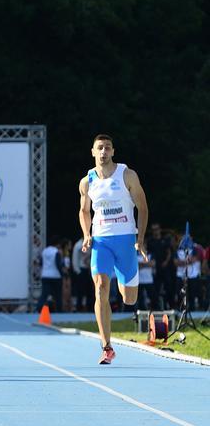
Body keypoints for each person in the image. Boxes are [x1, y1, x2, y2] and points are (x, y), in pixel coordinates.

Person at [78, 134, 149, 365]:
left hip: (126, 239)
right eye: (99, 148)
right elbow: (84, 211)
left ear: (113, 151)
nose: (103, 152)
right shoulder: (87, 181)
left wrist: (140, 238)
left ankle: (124, 276)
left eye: (107, 148)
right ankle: (106, 346)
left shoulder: (127, 175)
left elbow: (143, 207)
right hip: (102, 241)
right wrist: (87, 235)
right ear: (92, 152)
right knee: (100, 287)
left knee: (129, 299)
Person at [37, 236, 64, 312]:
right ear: (57, 244)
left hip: (45, 275)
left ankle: (39, 308)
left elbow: (41, 263)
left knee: (44, 294)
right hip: (55, 276)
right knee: (57, 295)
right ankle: (59, 310)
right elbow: (58, 264)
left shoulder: (44, 251)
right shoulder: (56, 251)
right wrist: (62, 274)